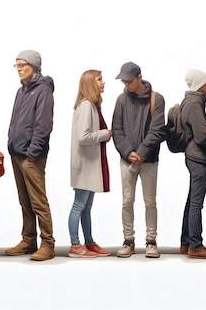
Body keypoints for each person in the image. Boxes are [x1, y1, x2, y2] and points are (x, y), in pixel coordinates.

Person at [4, 50, 56, 261]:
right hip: (16, 154)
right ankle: (28, 240)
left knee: (38, 201)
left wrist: (32, 154)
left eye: (22, 65)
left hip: (31, 157)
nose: (19, 69)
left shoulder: (43, 91)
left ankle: (48, 243)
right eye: (16, 65)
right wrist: (11, 143)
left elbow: (43, 126)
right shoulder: (21, 91)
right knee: (24, 201)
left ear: (34, 66)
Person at [111, 62, 166, 258]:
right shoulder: (122, 100)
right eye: (123, 80)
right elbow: (116, 129)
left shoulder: (156, 99)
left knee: (150, 201)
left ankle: (151, 242)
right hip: (127, 160)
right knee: (127, 201)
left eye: (129, 80)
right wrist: (128, 152)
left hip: (149, 159)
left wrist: (141, 152)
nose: (126, 83)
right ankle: (128, 241)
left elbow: (157, 129)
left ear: (139, 77)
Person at [68, 70, 112, 258]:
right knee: (79, 205)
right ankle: (75, 245)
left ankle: (89, 241)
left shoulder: (91, 105)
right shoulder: (86, 106)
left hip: (90, 165)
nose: (103, 82)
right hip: (85, 165)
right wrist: (105, 134)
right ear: (89, 83)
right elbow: (83, 137)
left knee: (86, 207)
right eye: (99, 79)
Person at [179, 68, 206, 259]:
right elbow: (202, 136)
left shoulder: (190, 102)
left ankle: (186, 242)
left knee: (191, 201)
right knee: (196, 203)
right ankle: (195, 246)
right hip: (198, 157)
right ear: (199, 84)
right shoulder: (195, 103)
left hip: (192, 156)